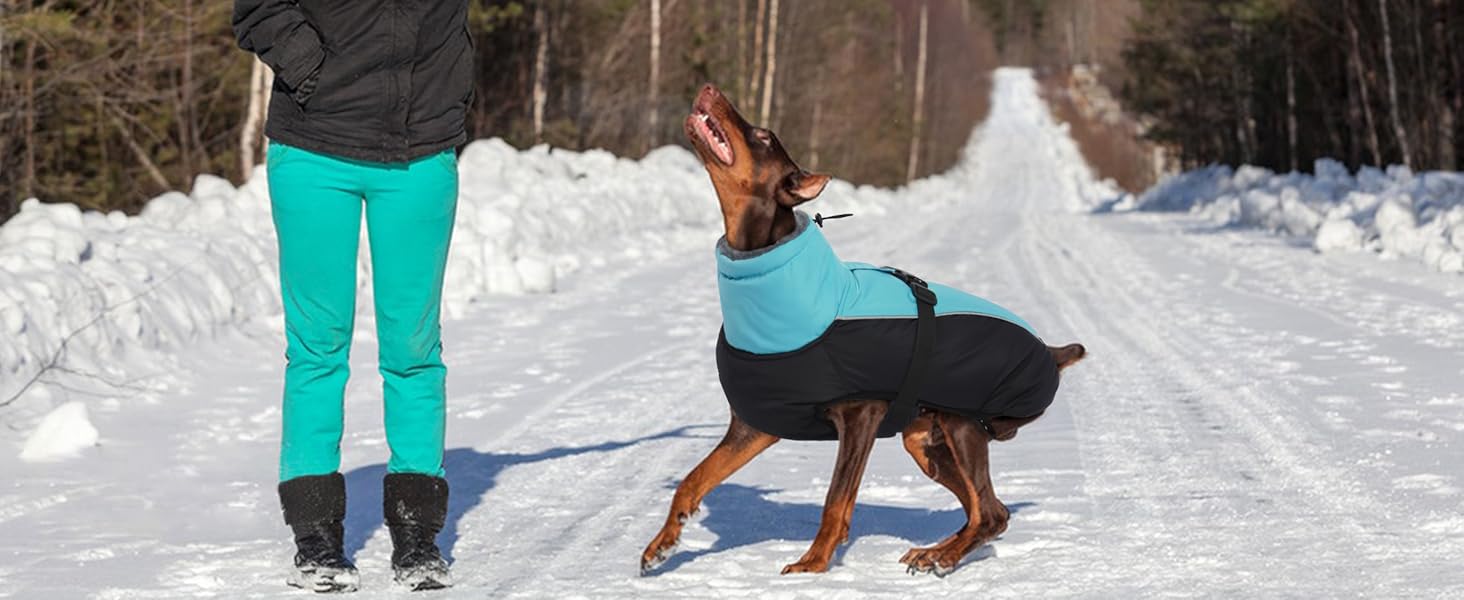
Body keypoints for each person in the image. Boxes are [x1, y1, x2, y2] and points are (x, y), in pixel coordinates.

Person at [232, 0, 472, 592]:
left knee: (413, 348)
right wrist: (311, 69)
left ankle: (417, 537)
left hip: (419, 154)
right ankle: (315, 536)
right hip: (315, 149)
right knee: (317, 346)